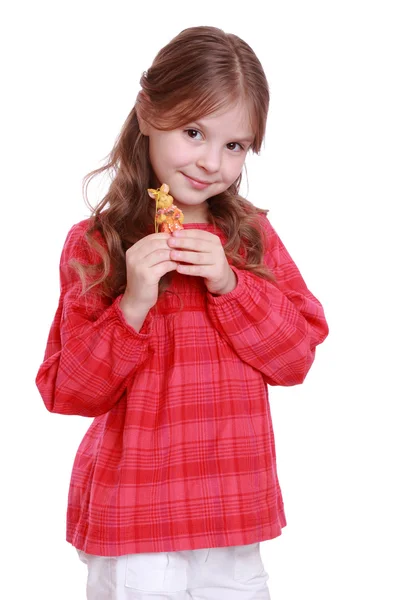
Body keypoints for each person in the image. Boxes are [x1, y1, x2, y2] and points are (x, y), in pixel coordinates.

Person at [36, 25, 329, 600]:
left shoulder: (249, 237)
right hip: (135, 521)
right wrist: (133, 305)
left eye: (235, 145)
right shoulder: (97, 243)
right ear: (148, 114)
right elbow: (67, 392)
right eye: (194, 131)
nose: (212, 162)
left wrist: (229, 282)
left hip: (233, 518)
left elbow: (297, 357)